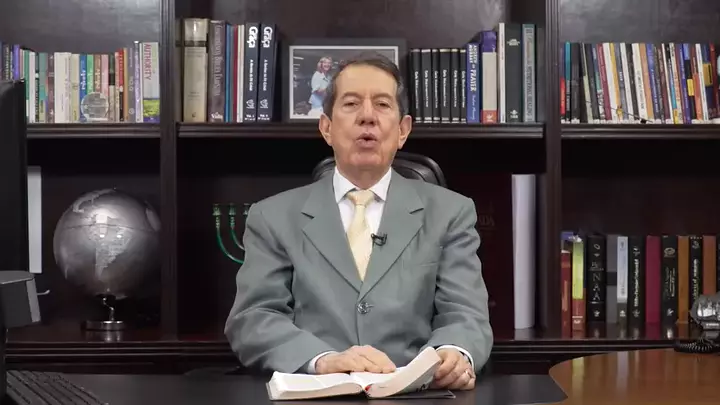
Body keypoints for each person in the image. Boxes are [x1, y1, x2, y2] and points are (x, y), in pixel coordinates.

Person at [225, 52, 493, 391]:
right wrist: (324, 360)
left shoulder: (452, 213)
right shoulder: (272, 217)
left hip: (417, 394)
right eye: (351, 104)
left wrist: (452, 352)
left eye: (382, 104)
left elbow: (466, 314)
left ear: (403, 131)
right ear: (327, 128)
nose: (367, 116)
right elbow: (253, 319)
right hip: (318, 392)